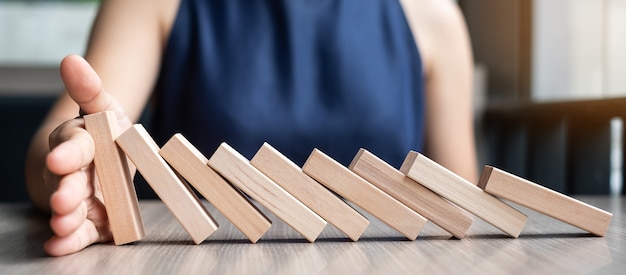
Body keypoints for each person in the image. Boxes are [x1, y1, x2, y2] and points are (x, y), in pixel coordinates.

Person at [25, 0, 477, 256]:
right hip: (202, 265)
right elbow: (63, 138)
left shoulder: (433, 16)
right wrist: (78, 170)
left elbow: (462, 208)